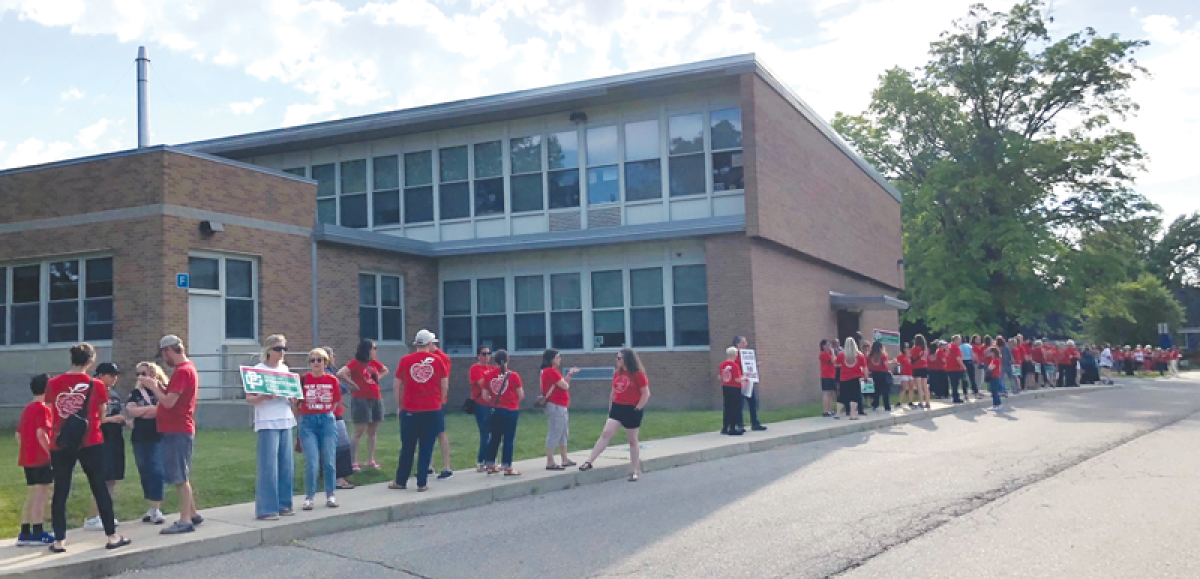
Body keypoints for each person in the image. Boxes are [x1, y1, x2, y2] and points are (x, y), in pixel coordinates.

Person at [46, 343, 130, 552]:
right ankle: (112, 536)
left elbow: (49, 411)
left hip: (61, 441)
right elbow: (101, 417)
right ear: (90, 361)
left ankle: (59, 540)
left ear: (71, 358)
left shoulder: (53, 383)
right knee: (99, 487)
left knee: (61, 490)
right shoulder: (97, 385)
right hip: (91, 440)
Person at [153, 335, 202, 535]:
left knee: (180, 477)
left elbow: (168, 402)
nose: (164, 359)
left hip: (178, 429)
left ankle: (184, 520)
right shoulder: (186, 370)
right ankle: (193, 513)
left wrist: (153, 387)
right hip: (178, 428)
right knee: (181, 472)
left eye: (164, 354)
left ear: (169, 351)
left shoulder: (182, 371)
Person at [579, 348, 651, 482]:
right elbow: (613, 392)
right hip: (617, 408)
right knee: (606, 433)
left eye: (619, 358)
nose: (617, 360)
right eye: (617, 358)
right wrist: (611, 409)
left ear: (627, 360)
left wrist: (637, 408)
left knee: (632, 440)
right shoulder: (617, 373)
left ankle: (634, 470)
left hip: (632, 408)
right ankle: (589, 461)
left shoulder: (638, 374)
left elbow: (646, 393)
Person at [390, 330, 449, 492]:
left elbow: (397, 385)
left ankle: (401, 480)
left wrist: (399, 405)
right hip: (432, 408)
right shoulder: (438, 361)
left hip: (410, 409)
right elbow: (444, 384)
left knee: (407, 446)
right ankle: (422, 482)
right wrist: (440, 401)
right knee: (426, 446)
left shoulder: (405, 360)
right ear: (429, 344)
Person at [247, 334, 296, 521]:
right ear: (268, 350)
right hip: (267, 420)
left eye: (284, 349)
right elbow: (249, 397)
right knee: (268, 466)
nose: (281, 352)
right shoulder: (257, 370)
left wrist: (293, 398)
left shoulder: (285, 369)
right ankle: (267, 508)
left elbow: (292, 394)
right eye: (278, 349)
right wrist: (264, 397)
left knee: (286, 464)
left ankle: (284, 504)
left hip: (285, 418)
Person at [296, 348, 341, 510]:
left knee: (329, 460)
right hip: (308, 422)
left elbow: (335, 402)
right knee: (312, 462)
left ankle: (331, 495)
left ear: (325, 363)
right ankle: (309, 497)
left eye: (319, 360)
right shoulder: (303, 380)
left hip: (327, 420)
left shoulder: (332, 380)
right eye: (312, 360)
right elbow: (297, 403)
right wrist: (300, 420)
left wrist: (326, 413)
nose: (316, 363)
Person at [84, 362, 126, 532]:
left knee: (112, 478)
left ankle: (105, 514)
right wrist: (113, 419)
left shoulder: (114, 394)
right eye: (111, 375)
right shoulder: (93, 392)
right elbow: (96, 419)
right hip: (101, 439)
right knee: (101, 478)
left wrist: (123, 420)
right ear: (100, 375)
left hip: (115, 438)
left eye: (116, 375)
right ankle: (92, 516)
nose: (114, 378)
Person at [15, 374, 54, 547]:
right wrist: (51, 454)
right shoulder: (43, 408)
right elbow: (41, 433)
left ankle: (25, 532)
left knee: (31, 495)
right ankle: (38, 531)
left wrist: (26, 449)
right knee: (41, 496)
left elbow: (18, 434)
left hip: (27, 459)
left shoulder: (28, 408)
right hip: (40, 459)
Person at [127, 362, 167, 524]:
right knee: (144, 471)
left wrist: (141, 411)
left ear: (153, 374)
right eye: (138, 374)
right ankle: (151, 507)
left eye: (143, 373)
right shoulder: (136, 393)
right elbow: (130, 410)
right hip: (139, 436)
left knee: (156, 470)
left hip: (157, 435)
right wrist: (147, 410)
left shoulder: (161, 391)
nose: (140, 377)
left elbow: (160, 410)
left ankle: (157, 508)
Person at [338, 339, 388, 472]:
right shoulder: (355, 363)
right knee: (359, 431)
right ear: (367, 349)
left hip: (375, 398)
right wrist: (352, 384)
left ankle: (370, 459)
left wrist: (377, 378)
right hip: (361, 399)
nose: (375, 351)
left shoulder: (374, 363)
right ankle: (353, 461)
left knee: (373, 431)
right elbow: (341, 373)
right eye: (374, 348)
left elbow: (385, 370)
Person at [482, 350, 524, 475]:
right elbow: (520, 394)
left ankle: (490, 464)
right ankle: (507, 467)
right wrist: (513, 401)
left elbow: (485, 396)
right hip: (511, 410)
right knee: (508, 439)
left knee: (495, 437)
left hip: (496, 410)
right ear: (507, 360)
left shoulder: (489, 375)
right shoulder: (513, 375)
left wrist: (493, 401)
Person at [321, 347, 355, 490]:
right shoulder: (328, 374)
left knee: (330, 447)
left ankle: (329, 475)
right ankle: (339, 478)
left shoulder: (331, 372)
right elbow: (342, 388)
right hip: (333, 415)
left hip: (333, 413)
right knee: (341, 446)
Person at [541, 349, 580, 466]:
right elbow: (565, 386)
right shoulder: (550, 371)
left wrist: (569, 375)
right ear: (551, 359)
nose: (559, 359)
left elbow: (562, 384)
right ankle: (550, 461)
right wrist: (566, 381)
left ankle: (564, 459)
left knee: (563, 433)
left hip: (560, 406)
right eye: (557, 357)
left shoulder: (551, 372)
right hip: (556, 406)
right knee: (555, 432)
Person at [431, 344, 454, 480]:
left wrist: (441, 400)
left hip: (438, 401)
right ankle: (429, 465)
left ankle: (447, 466)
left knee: (440, 432)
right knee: (428, 433)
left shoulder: (441, 358)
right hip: (429, 401)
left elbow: (443, 380)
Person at [733, 336, 766, 431]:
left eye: (745, 342)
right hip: (740, 382)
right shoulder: (735, 355)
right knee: (739, 404)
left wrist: (755, 366)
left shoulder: (747, 354)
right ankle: (740, 424)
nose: (745, 344)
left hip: (749, 381)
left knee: (753, 402)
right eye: (743, 342)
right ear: (737, 344)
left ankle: (755, 423)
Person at [469, 346, 494, 472]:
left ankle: (490, 460)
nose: (487, 356)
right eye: (484, 354)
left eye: (489, 354)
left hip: (492, 404)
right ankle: (481, 461)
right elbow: (483, 383)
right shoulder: (475, 368)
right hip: (481, 404)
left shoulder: (491, 368)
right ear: (478, 355)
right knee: (484, 433)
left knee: (493, 432)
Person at [836, 338, 868, 420]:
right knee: (854, 396)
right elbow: (864, 367)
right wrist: (866, 377)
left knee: (842, 396)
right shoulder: (860, 355)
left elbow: (836, 364)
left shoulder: (841, 355)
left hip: (844, 378)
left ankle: (838, 414)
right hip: (855, 378)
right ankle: (852, 415)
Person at [720, 346, 748, 433]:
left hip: (725, 387)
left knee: (727, 407)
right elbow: (737, 379)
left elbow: (720, 377)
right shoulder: (734, 365)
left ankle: (725, 427)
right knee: (735, 408)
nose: (737, 355)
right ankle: (732, 428)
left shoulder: (722, 365)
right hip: (734, 388)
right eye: (736, 354)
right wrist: (745, 378)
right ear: (734, 355)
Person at [865, 341, 892, 411]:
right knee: (885, 391)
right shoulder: (883, 355)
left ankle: (875, 404)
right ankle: (887, 406)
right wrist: (892, 362)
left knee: (877, 389)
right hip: (883, 373)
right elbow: (886, 364)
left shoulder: (870, 356)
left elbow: (867, 366)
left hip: (875, 374)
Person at [819, 340, 839, 417]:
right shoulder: (823, 354)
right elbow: (833, 360)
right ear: (823, 346)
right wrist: (833, 352)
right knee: (826, 393)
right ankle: (825, 411)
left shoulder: (829, 354)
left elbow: (836, 362)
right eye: (827, 345)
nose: (829, 347)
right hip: (826, 376)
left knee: (830, 393)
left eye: (830, 345)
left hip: (831, 376)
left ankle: (830, 410)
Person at [910, 335, 930, 410]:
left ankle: (921, 402)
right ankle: (927, 402)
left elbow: (911, 357)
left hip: (917, 368)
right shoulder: (926, 350)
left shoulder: (915, 349)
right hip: (924, 367)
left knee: (919, 386)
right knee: (925, 386)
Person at [945, 335, 966, 404]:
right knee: (956, 383)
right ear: (956, 340)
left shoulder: (948, 346)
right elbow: (958, 359)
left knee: (952, 383)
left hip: (948, 367)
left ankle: (954, 396)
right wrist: (963, 366)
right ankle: (956, 397)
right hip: (955, 368)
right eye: (959, 340)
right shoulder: (956, 348)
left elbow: (946, 355)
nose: (960, 341)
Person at [984, 346, 1004, 412]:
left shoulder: (995, 360)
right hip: (995, 376)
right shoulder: (996, 359)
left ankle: (996, 405)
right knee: (994, 391)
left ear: (994, 352)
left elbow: (990, 368)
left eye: (990, 352)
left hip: (994, 376)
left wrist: (986, 367)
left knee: (994, 391)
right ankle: (997, 404)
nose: (989, 353)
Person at [897, 342, 915, 409]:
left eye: (908, 348)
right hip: (904, 374)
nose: (908, 349)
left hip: (911, 374)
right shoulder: (901, 356)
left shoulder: (911, 357)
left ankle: (910, 401)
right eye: (906, 348)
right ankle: (900, 401)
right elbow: (896, 361)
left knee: (911, 388)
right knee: (904, 388)